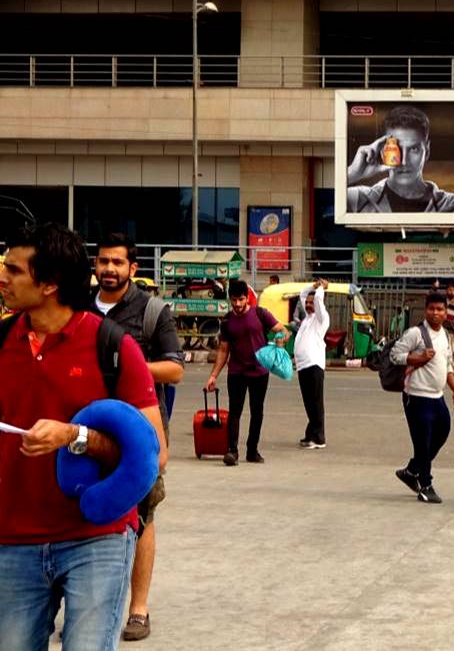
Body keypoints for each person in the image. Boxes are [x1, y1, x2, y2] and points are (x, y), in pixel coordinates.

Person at [0, 223, 165, 650]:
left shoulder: (111, 346)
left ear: (50, 284)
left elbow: (153, 454)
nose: (3, 278)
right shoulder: (1, 342)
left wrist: (76, 437)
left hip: (97, 538)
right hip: (13, 540)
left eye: (14, 270)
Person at [91, 233, 185, 643]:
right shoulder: (77, 307)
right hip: (83, 427)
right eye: (103, 261)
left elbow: (175, 370)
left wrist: (127, 364)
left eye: (117, 262)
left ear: (133, 269)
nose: (109, 269)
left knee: (142, 517)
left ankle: (138, 609)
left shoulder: (152, 311)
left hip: (139, 430)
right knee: (79, 511)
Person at [205, 280, 289, 466]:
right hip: (236, 372)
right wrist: (213, 376)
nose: (237, 304)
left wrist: (280, 340)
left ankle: (252, 450)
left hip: (259, 372)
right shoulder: (226, 321)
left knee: (257, 412)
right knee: (235, 411)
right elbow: (223, 350)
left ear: (247, 298)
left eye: (241, 299)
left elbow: (283, 330)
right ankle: (232, 451)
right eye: (233, 300)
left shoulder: (261, 314)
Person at [391, 292, 454, 504]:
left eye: (440, 309)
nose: (435, 313)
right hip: (417, 396)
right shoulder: (416, 333)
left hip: (437, 397)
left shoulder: (445, 336)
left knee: (443, 431)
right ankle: (426, 484)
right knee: (423, 442)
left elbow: (446, 364)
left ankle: (412, 470)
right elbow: (395, 355)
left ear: (446, 312)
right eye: (432, 309)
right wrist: (418, 357)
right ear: (426, 310)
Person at [346, 106, 454, 213]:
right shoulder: (357, 199)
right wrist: (352, 173)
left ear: (427, 151)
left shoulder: (453, 206)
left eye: (414, 149)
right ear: (383, 152)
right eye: (396, 149)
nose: (404, 161)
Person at [295, 279, 330, 450]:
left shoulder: (321, 319)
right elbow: (302, 294)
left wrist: (321, 288)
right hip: (303, 366)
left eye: (311, 302)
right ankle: (311, 434)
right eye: (307, 303)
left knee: (316, 403)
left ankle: (319, 438)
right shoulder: (308, 318)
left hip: (314, 365)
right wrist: (313, 287)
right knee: (309, 403)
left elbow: (318, 300)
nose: (308, 305)